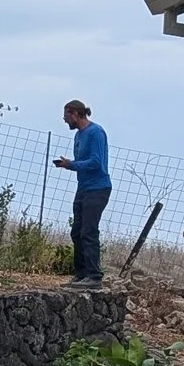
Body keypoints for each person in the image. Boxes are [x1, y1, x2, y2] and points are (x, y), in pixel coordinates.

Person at [53, 98, 111, 281]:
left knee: (89, 231)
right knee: (77, 232)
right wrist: (70, 164)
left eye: (66, 116)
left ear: (75, 114)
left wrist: (71, 165)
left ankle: (94, 275)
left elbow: (96, 162)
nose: (64, 120)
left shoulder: (96, 133)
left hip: (98, 189)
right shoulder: (78, 135)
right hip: (83, 188)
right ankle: (81, 274)